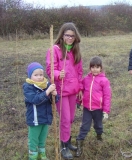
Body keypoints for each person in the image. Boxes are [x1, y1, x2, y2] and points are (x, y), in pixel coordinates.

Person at [46, 22, 83, 159]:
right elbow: (50, 69)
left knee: (71, 118)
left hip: (73, 90)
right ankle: (63, 146)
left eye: (72, 36)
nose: (69, 38)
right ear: (62, 35)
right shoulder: (54, 49)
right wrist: (56, 74)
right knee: (65, 119)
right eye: (67, 35)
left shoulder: (75, 51)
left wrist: (80, 88)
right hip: (61, 90)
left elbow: (79, 72)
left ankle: (67, 141)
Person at [75, 56, 111, 157]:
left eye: (97, 67)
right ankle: (79, 143)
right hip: (87, 108)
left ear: (101, 68)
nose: (95, 69)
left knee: (98, 125)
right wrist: (78, 101)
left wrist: (106, 111)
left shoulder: (104, 81)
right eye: (93, 67)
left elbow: (107, 96)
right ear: (90, 68)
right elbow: (81, 91)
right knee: (84, 126)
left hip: (98, 109)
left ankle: (99, 135)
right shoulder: (86, 79)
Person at [23, 62, 59, 160]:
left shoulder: (47, 84)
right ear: (30, 76)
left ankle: (42, 154)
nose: (39, 77)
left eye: (41, 75)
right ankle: (33, 156)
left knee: (42, 138)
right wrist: (47, 92)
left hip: (45, 118)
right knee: (34, 139)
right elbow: (35, 100)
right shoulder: (28, 87)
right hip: (35, 119)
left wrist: (54, 95)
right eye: (36, 75)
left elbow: (53, 101)